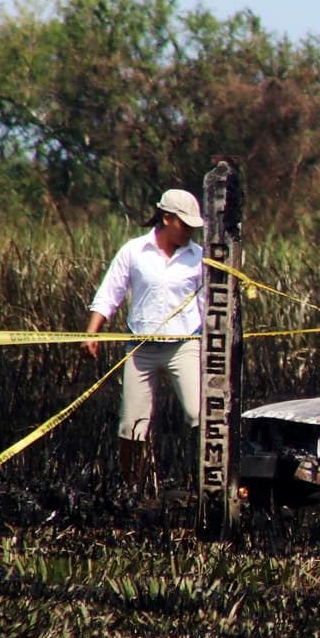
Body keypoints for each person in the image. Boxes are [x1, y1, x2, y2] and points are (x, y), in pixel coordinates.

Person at [82, 188, 205, 483]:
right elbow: (109, 293)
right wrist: (91, 333)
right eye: (184, 224)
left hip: (185, 346)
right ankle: (131, 487)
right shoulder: (134, 251)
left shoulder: (200, 258)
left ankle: (204, 481)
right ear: (166, 219)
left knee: (199, 415)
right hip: (141, 348)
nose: (190, 231)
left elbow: (211, 304)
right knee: (131, 426)